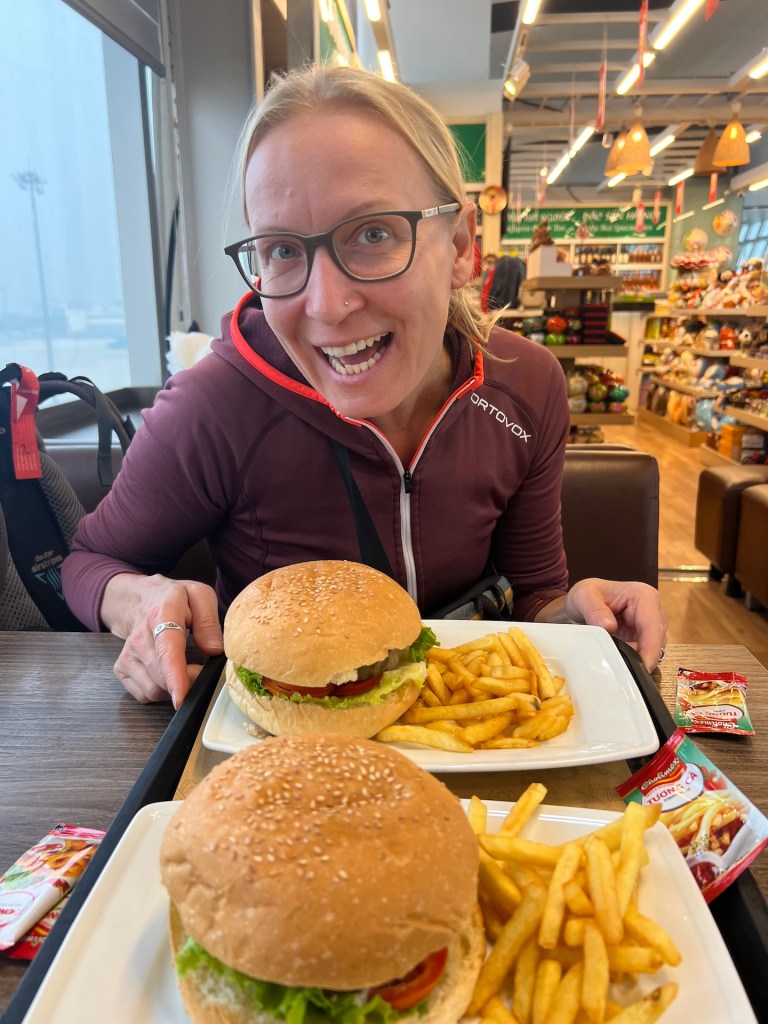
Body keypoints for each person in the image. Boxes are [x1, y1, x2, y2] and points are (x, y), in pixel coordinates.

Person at [62, 64, 667, 708]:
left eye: (373, 234)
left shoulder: (527, 385)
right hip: (282, 738)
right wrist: (142, 602)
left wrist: (577, 613)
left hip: (466, 727)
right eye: (282, 250)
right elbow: (89, 562)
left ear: (461, 245)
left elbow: (535, 590)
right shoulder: (213, 405)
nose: (326, 305)